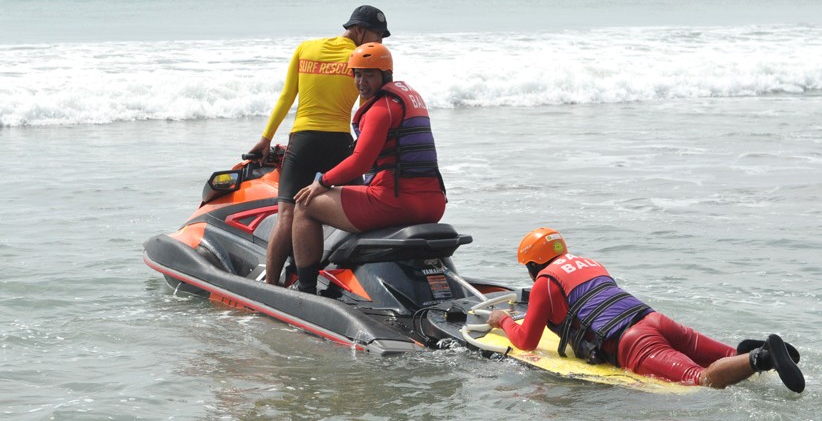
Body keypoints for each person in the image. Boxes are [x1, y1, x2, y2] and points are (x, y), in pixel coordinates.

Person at [487, 228, 805, 392]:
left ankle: (759, 358)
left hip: (632, 341)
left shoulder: (545, 281)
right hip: (654, 319)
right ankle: (753, 352)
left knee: (700, 379)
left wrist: (502, 320)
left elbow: (527, 340)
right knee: (709, 353)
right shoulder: (590, 263)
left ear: (532, 265)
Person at [246, 5, 391, 286]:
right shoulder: (360, 59)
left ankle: (271, 286)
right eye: (377, 35)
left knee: (287, 214)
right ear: (359, 31)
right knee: (360, 208)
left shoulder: (305, 49)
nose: (379, 43)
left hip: (302, 142)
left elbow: (287, 97)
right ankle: (361, 280)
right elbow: (366, 108)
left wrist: (265, 138)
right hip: (340, 145)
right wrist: (367, 149)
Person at [290, 43, 447, 294]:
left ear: (385, 75)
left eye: (369, 75)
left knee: (305, 205)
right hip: (434, 203)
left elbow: (361, 161)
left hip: (396, 201)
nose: (361, 82)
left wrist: (322, 182)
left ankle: (305, 288)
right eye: (357, 74)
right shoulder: (410, 98)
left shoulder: (380, 108)